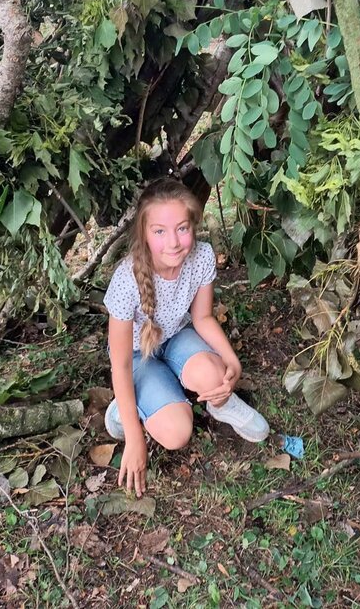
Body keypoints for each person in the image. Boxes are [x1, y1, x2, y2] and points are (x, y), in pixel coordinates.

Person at [103, 178, 269, 496]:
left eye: (182, 228)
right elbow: (120, 365)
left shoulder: (202, 256)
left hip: (176, 336)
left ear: (193, 225)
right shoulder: (126, 280)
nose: (174, 242)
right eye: (159, 231)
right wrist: (135, 438)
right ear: (144, 234)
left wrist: (232, 363)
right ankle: (128, 408)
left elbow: (203, 318)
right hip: (136, 356)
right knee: (177, 433)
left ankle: (219, 405)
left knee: (214, 374)